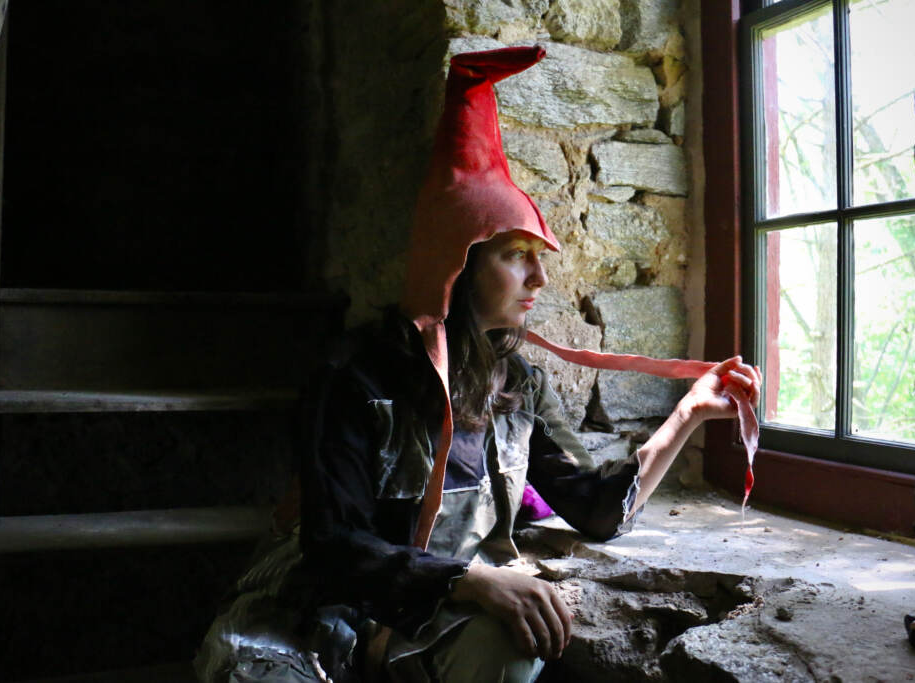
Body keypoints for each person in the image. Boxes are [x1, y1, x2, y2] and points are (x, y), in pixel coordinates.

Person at [195, 46, 760, 683]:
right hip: (328, 609)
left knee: (515, 648)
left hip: (436, 612)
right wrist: (472, 579)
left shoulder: (518, 384)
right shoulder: (355, 375)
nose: (540, 277)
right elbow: (333, 547)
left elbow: (596, 510)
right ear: (458, 262)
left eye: (538, 257)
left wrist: (688, 414)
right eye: (517, 255)